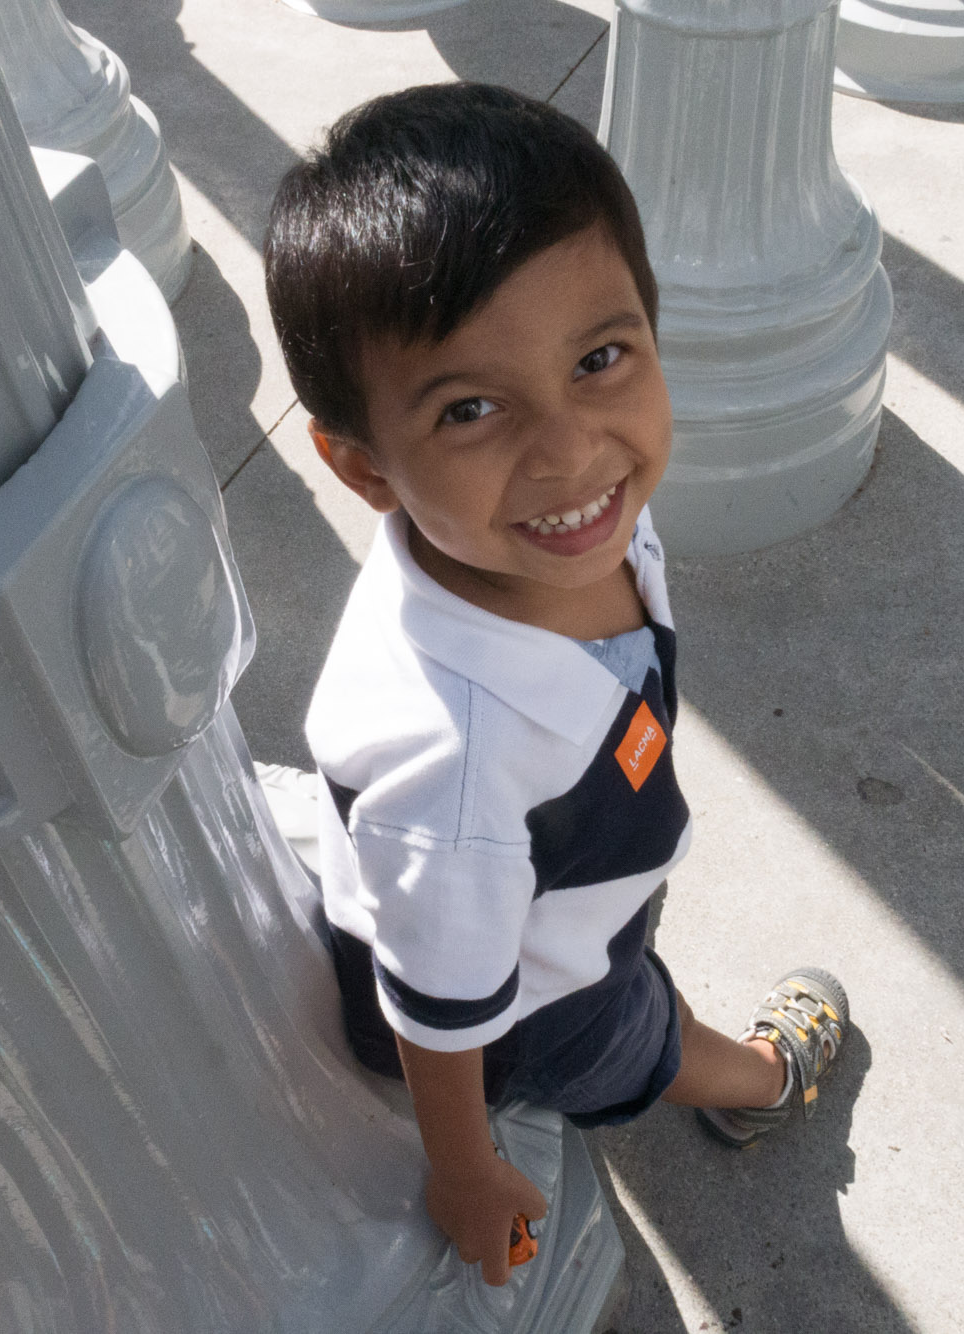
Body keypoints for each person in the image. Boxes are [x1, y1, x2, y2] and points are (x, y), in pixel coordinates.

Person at [263, 83, 849, 1288]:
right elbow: (441, 1011)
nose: (570, 449)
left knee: (614, 945)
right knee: (644, 1029)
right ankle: (757, 1083)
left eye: (597, 357)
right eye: (471, 407)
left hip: (540, 896)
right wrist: (464, 1164)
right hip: (536, 1002)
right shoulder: (457, 768)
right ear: (362, 467)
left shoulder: (542, 535)